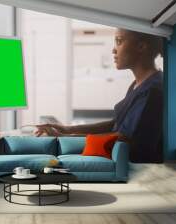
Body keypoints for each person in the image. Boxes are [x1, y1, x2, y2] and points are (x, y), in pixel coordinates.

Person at [34, 28, 164, 163]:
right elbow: (116, 124)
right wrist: (68, 130)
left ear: (141, 46)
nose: (114, 50)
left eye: (119, 42)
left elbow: (123, 137)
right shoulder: (138, 84)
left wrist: (65, 137)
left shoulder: (153, 90)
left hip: (135, 166)